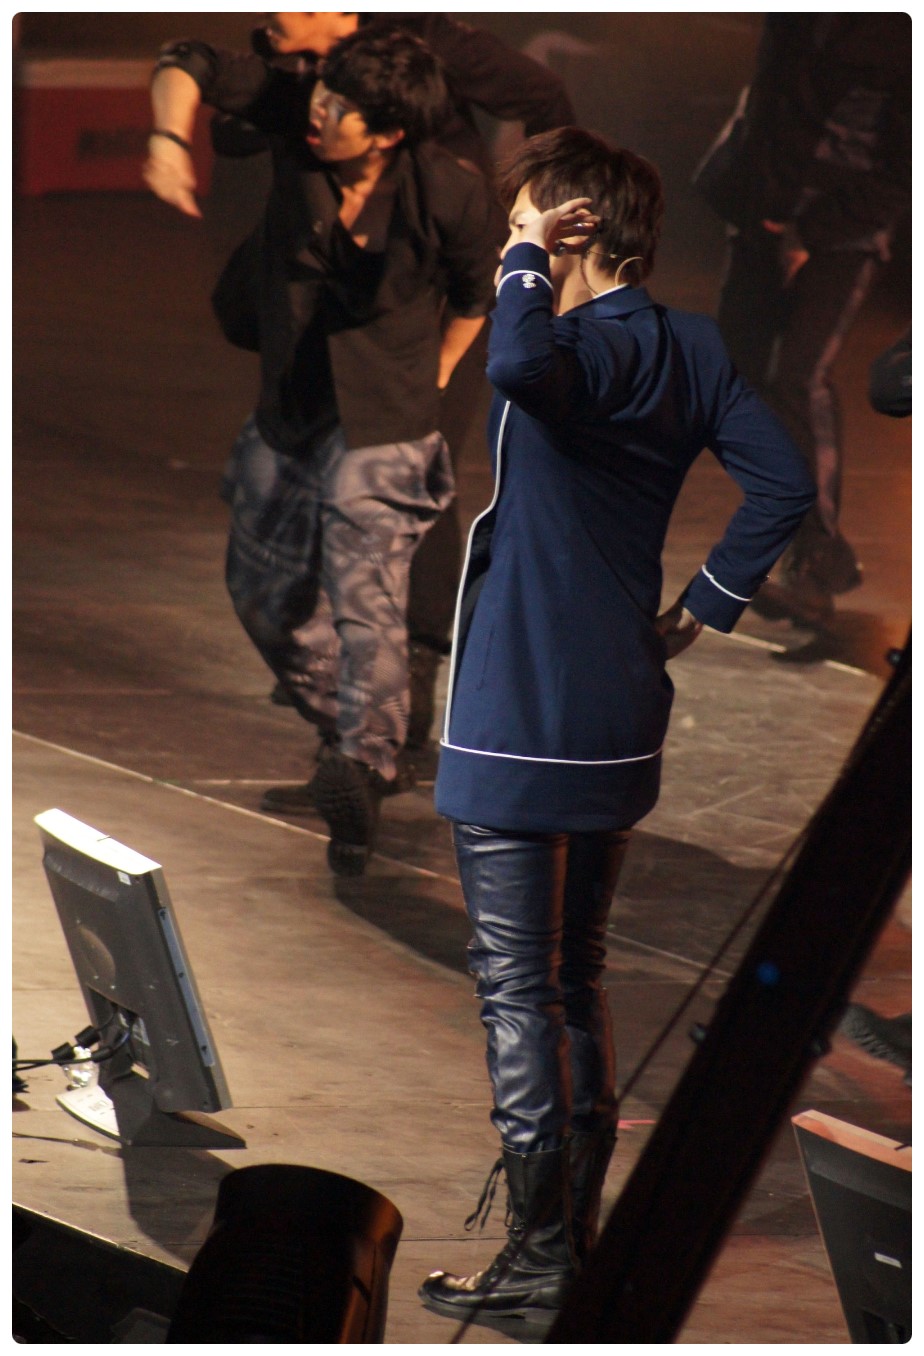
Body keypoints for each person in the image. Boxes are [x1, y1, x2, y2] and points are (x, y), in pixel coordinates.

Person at [418, 127, 816, 1333]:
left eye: (525, 224)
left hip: (519, 705)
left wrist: (525, 264)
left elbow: (516, 366)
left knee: (516, 990)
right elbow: (783, 483)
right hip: (619, 704)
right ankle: (571, 1250)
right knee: (571, 977)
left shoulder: (559, 346)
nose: (509, 246)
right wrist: (705, 605)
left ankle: (544, 1254)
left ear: (575, 229)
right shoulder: (690, 346)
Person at [153, 13, 575, 776]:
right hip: (317, 331)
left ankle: (400, 694)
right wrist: (169, 139)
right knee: (283, 542)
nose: (271, 13)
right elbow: (199, 73)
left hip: (422, 321)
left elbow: (539, 101)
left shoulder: (430, 79)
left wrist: (533, 214)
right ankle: (351, 706)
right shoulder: (302, 95)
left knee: (397, 500)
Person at [694, 15, 911, 628]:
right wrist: (764, 213)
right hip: (764, 213)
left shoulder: (898, 32)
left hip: (843, 227)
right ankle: (813, 546)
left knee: (800, 377)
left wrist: (808, 234)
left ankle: (814, 563)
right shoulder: (792, 17)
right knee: (736, 377)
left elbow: (901, 169)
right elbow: (767, 108)